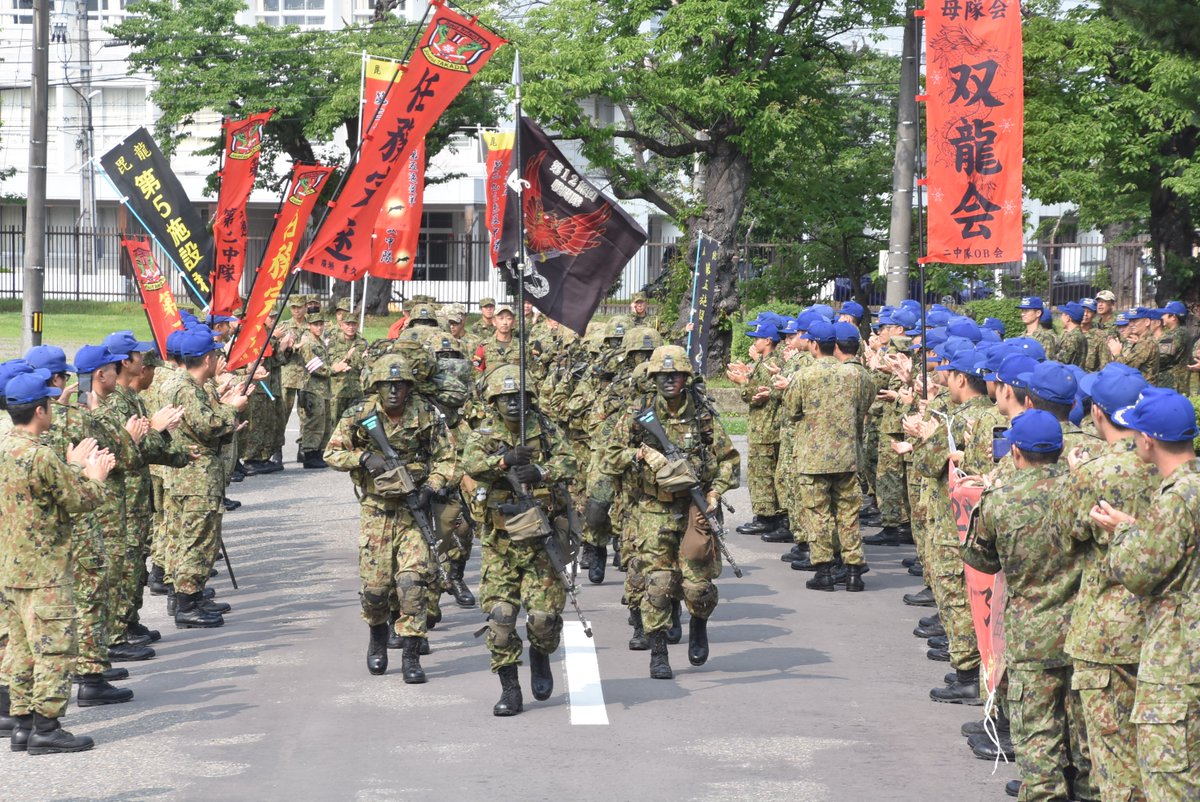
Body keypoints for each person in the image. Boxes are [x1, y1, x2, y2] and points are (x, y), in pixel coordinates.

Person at [963, 410, 1092, 802]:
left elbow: (981, 560)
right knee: (1085, 738)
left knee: (1037, 735)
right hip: (1085, 630)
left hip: (1031, 630)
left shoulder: (1000, 500)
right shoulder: (1083, 491)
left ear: (1015, 452)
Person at [600, 345, 739, 679]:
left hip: (695, 506)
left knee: (697, 586)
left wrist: (715, 491)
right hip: (653, 508)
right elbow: (609, 456)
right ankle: (659, 652)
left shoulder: (703, 414)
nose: (669, 381)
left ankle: (700, 623)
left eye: (675, 375)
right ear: (653, 378)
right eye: (663, 376)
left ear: (686, 378)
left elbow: (729, 459)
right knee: (659, 583)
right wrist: (641, 454)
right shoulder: (639, 413)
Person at [1092, 387, 1200, 801]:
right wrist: (1139, 528)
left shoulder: (1176, 499)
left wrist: (1121, 532)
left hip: (1177, 664)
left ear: (1149, 440)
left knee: (1170, 784)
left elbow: (1137, 573)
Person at [0, 369, 113, 754]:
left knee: (20, 650)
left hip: (11, 568)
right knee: (54, 648)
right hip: (46, 569)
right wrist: (93, 475)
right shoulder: (40, 455)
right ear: (40, 411)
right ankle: (47, 727)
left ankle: (22, 723)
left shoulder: (4, 447)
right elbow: (78, 501)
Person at [324, 354, 454, 682]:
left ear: (409, 386)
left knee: (412, 584)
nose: (394, 390)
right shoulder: (360, 414)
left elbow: (447, 458)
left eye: (400, 384)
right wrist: (363, 456)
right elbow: (332, 453)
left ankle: (411, 654)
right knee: (376, 590)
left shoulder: (426, 414)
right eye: (387, 385)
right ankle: (378, 638)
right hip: (376, 511)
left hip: (414, 512)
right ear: (377, 386)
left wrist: (432, 486)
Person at [1061, 364, 1157, 802]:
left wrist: (1073, 474)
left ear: (1097, 413)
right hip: (1166, 631)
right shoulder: (1174, 470)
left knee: (1113, 758)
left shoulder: (1096, 472)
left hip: (1106, 628)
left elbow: (1064, 535)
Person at [460, 365, 577, 715]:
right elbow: (469, 464)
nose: (513, 404)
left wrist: (541, 471)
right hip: (501, 542)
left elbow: (572, 463)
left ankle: (540, 654)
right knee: (500, 617)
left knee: (542, 618)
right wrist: (504, 461)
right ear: (494, 401)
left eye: (519, 397)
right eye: (505, 398)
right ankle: (510, 688)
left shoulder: (545, 429)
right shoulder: (483, 433)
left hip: (541, 540)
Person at [160, 328, 250, 629]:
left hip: (186, 472)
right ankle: (187, 602)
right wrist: (231, 410)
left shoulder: (182, 383)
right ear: (208, 358)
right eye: (216, 355)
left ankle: (189, 595)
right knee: (197, 538)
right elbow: (206, 426)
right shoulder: (186, 387)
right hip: (195, 475)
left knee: (184, 535)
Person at [777, 320, 872, 591]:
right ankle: (854, 571)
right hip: (847, 455)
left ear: (815, 345)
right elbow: (864, 405)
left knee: (818, 514)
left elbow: (792, 411)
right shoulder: (855, 375)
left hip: (813, 458)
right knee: (849, 513)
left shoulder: (804, 376)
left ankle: (824, 571)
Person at [297, 311, 332, 468]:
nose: (319, 327)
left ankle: (317, 451)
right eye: (315, 325)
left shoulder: (319, 341)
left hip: (322, 389)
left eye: (321, 324)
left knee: (322, 421)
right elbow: (314, 367)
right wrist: (334, 369)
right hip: (312, 388)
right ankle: (310, 453)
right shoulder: (309, 344)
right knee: (313, 422)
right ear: (309, 326)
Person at [1017, 297, 1059, 361]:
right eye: (1022, 311)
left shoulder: (1045, 338)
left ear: (1038, 313)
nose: (1022, 314)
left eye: (1027, 311)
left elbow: (1047, 364)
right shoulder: (1020, 337)